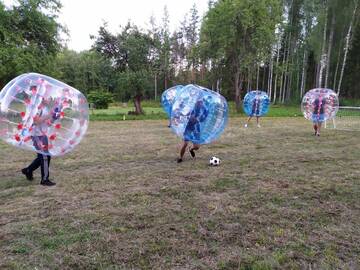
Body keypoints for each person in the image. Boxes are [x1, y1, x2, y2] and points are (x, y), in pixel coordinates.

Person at [21, 86, 58, 186]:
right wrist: (49, 115)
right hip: (36, 134)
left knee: (44, 156)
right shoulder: (35, 107)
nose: (48, 98)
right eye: (46, 96)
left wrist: (54, 118)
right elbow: (36, 121)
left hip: (43, 134)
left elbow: (47, 123)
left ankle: (28, 170)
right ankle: (44, 180)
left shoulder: (45, 107)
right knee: (44, 156)